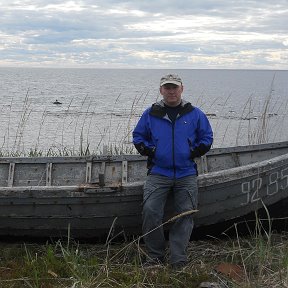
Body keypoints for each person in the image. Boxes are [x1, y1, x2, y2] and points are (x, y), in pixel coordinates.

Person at [132, 73, 213, 269]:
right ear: (161, 90)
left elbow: (207, 136)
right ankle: (155, 256)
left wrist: (194, 151)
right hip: (159, 172)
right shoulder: (150, 113)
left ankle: (178, 259)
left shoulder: (195, 113)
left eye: (174, 87)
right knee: (151, 211)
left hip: (186, 173)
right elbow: (138, 136)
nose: (171, 91)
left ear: (181, 89)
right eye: (167, 88)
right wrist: (151, 150)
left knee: (185, 214)